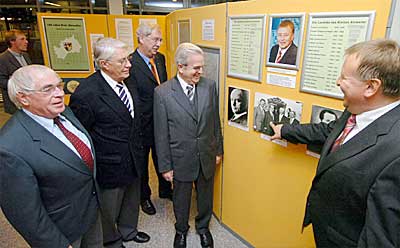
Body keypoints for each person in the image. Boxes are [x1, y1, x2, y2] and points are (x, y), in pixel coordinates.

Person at [270, 39, 400, 247]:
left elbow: (381, 239)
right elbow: (331, 131)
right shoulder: (358, 110)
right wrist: (286, 130)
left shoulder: (395, 152)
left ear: (371, 87)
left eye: (344, 77)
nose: (338, 82)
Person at [0, 65, 102, 248]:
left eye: (59, 86)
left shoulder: (63, 111)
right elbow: (26, 215)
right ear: (23, 98)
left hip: (90, 212)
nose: (59, 94)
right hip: (63, 231)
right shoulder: (9, 148)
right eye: (48, 89)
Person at [69, 38, 149, 248]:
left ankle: (128, 230)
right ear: (104, 64)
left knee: (132, 198)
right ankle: (111, 240)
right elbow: (81, 134)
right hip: (109, 162)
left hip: (134, 156)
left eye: (128, 59)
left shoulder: (129, 80)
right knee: (109, 206)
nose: (129, 65)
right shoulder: (87, 92)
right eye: (122, 61)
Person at [154, 43, 223, 248]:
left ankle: (203, 228)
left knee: (205, 197)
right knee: (181, 199)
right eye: (196, 68)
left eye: (201, 67)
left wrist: (218, 149)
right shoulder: (162, 93)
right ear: (181, 67)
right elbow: (160, 134)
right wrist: (165, 166)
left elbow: (214, 122)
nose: (200, 72)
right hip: (180, 157)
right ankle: (181, 230)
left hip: (206, 154)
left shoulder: (209, 86)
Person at [126, 23, 172, 216]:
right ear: (142, 39)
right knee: (142, 162)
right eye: (155, 39)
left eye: (160, 40)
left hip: (162, 121)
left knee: (161, 155)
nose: (159, 44)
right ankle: (144, 197)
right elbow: (134, 99)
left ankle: (165, 189)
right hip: (143, 123)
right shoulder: (130, 63)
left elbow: (165, 88)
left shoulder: (160, 59)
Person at [0, 29, 32, 114]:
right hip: (14, 104)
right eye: (22, 39)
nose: (26, 42)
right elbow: (1, 80)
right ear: (12, 41)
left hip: (29, 101)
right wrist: (19, 86)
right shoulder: (3, 59)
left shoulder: (26, 55)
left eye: (26, 39)